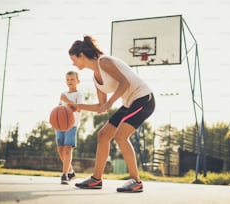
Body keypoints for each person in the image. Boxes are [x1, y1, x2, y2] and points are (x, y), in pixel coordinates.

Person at [68, 35, 155, 193]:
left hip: (143, 99)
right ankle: (96, 179)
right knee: (103, 135)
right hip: (129, 102)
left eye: (73, 59)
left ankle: (136, 181)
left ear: (81, 55)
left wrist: (111, 101)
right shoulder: (95, 78)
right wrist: (77, 106)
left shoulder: (104, 62)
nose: (73, 63)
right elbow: (102, 107)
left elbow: (125, 83)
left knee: (120, 136)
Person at [55, 71, 83, 184]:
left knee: (67, 149)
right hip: (60, 125)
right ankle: (71, 171)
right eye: (68, 79)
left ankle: (64, 175)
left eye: (72, 79)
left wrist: (66, 100)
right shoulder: (63, 94)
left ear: (78, 81)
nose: (70, 81)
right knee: (60, 149)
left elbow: (79, 108)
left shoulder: (79, 94)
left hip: (72, 124)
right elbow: (59, 109)